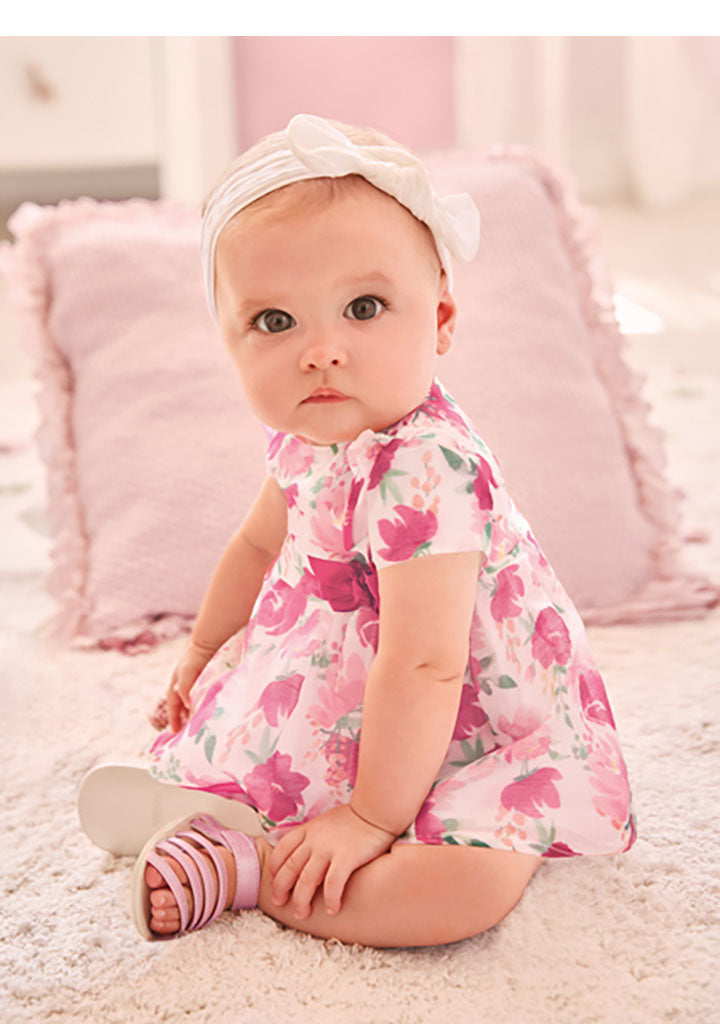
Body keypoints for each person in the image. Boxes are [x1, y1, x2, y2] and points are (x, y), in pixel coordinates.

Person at [84, 113, 637, 948]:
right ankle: (236, 814)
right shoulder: (310, 438)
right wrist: (202, 655)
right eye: (275, 323)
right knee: (269, 750)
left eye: (365, 307)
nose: (321, 352)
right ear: (228, 342)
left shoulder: (429, 468)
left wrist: (369, 819)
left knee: (459, 894)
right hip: (359, 692)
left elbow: (427, 661)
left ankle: (252, 869)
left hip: (470, 720)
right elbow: (258, 548)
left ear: (441, 320)